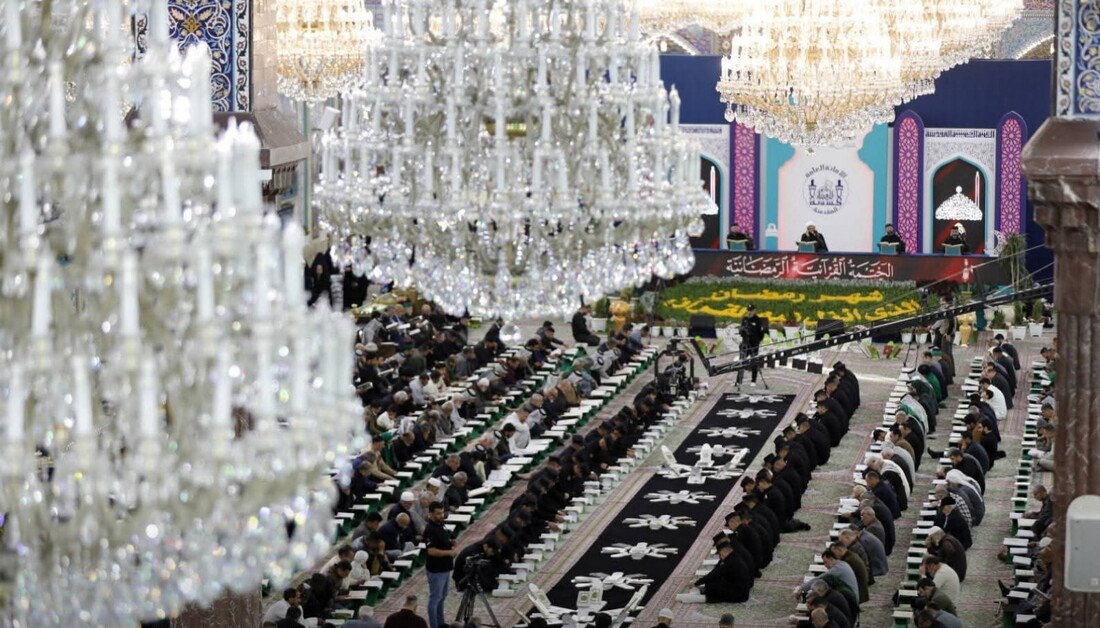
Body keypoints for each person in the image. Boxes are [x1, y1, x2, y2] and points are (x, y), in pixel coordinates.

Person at [423, 502, 456, 628]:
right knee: (435, 598)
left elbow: (441, 541)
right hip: (436, 569)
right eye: (438, 514)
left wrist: (450, 542)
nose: (441, 516)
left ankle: (441, 623)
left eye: (442, 513)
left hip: (445, 567)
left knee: (442, 597)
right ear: (431, 514)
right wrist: (449, 552)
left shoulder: (440, 525)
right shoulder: (430, 529)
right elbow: (431, 551)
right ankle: (434, 625)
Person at [738, 304, 767, 387]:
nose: (749, 312)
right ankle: (739, 381)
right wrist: (742, 332)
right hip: (745, 343)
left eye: (751, 310)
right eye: (748, 310)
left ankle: (753, 380)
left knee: (754, 362)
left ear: (754, 311)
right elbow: (741, 330)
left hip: (754, 345)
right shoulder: (745, 319)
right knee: (741, 362)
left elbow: (761, 333)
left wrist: (757, 341)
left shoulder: (758, 320)